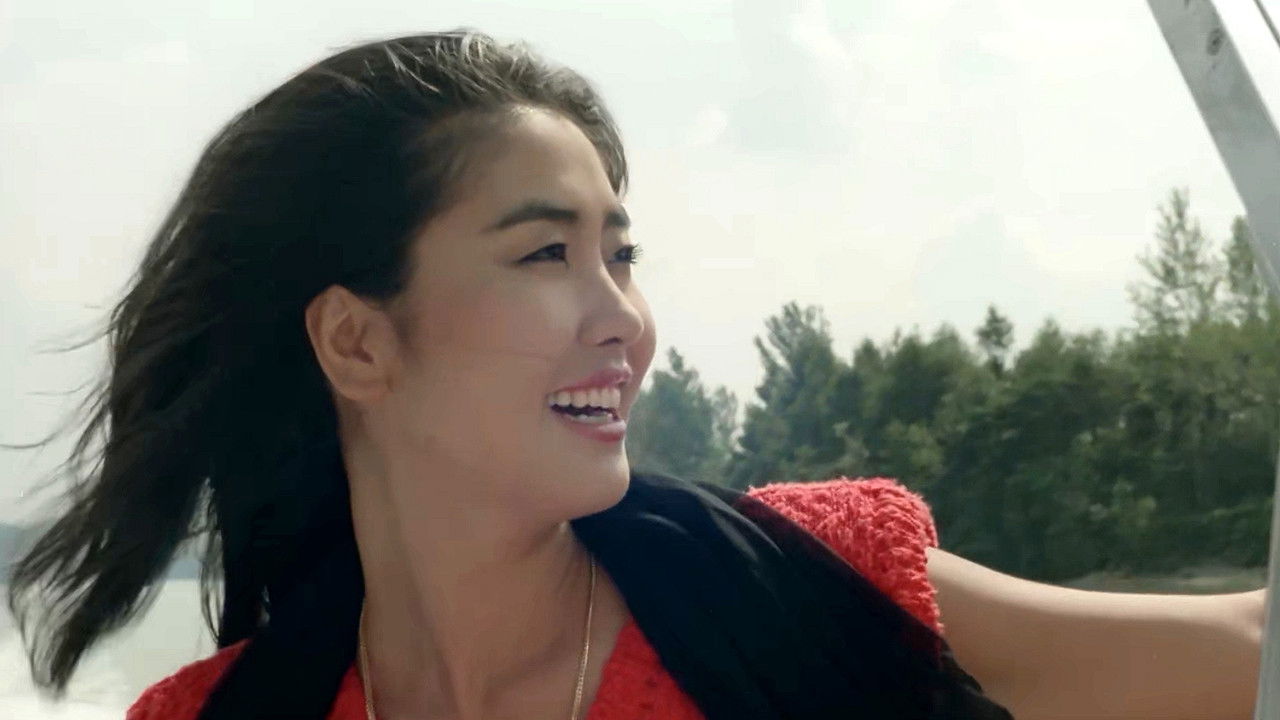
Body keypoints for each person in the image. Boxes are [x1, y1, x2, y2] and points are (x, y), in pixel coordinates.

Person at [5, 31, 1266, 720]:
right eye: (545, 253)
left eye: (621, 254)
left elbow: (1244, 652)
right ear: (356, 343)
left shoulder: (800, 593)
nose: (625, 321)